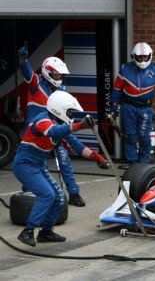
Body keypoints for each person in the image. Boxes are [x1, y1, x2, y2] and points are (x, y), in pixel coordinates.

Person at [14, 91, 109, 247]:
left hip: (39, 165)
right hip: (24, 165)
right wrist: (80, 125)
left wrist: (97, 158)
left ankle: (45, 232)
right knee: (47, 195)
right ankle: (28, 231)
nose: (71, 115)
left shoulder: (61, 125)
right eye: (70, 111)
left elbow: (77, 146)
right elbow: (53, 132)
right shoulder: (42, 119)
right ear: (59, 109)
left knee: (59, 197)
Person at [18, 46, 86, 207]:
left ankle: (74, 194)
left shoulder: (62, 89)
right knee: (32, 162)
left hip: (56, 128)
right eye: (56, 73)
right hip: (36, 131)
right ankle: (28, 194)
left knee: (64, 159)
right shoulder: (36, 82)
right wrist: (23, 60)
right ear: (48, 71)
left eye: (60, 74)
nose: (59, 76)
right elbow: (27, 72)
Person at [111, 42, 155, 164]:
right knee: (131, 137)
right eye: (140, 57)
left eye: (145, 57)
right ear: (134, 56)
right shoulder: (125, 69)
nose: (143, 59)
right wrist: (114, 106)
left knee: (144, 137)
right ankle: (132, 165)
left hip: (146, 108)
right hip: (128, 107)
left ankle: (143, 165)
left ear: (150, 56)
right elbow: (117, 89)